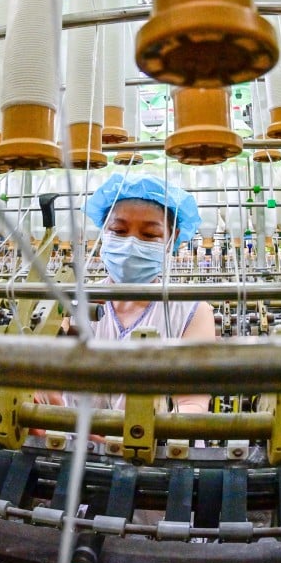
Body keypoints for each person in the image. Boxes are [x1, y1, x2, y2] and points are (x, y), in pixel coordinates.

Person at [46, 173, 215, 414]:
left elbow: (191, 401)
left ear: (172, 238)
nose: (131, 244)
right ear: (103, 231)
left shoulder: (192, 311)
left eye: (149, 235)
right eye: (119, 230)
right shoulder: (79, 301)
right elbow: (56, 380)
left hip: (156, 447)